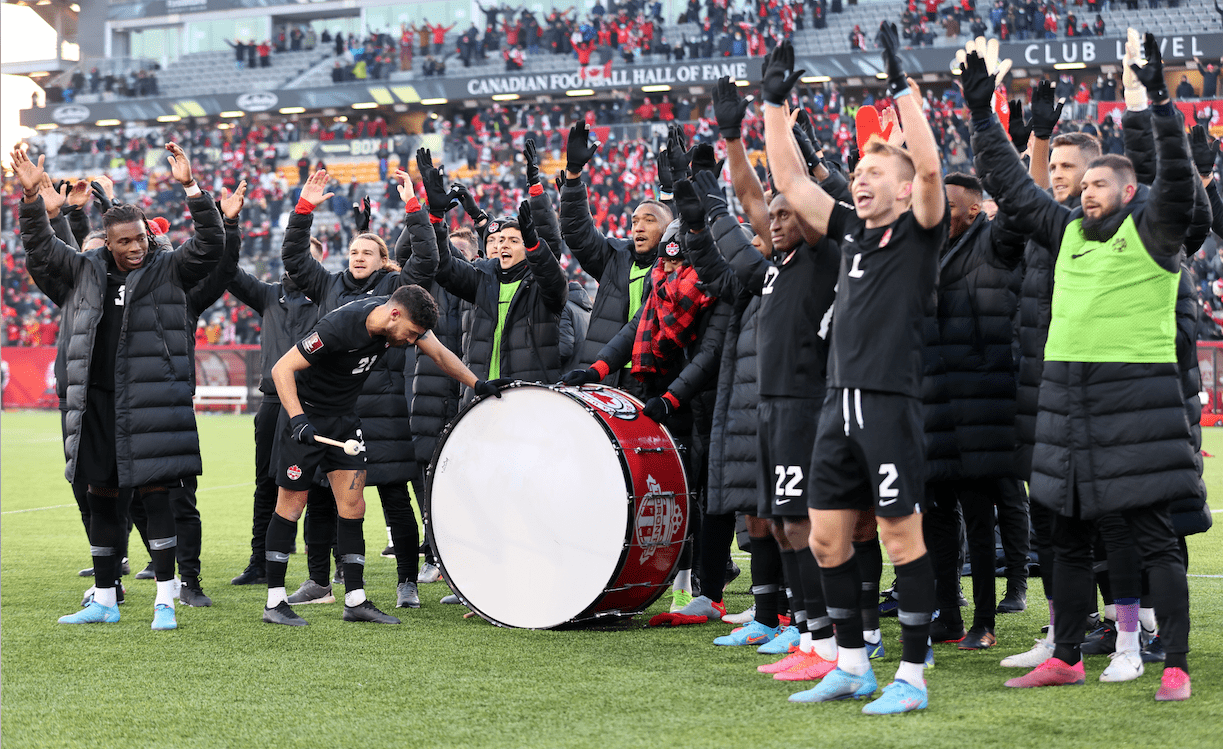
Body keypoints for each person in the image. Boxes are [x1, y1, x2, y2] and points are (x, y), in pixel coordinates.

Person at [968, 32, 1194, 701]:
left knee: (1148, 537)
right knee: (1062, 537)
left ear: (1127, 192)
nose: (1086, 191)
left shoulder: (1153, 235)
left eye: (1098, 182)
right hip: (1064, 407)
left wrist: (1154, 99)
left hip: (1133, 404)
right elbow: (1010, 185)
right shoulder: (1064, 230)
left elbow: (1177, 178)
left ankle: (1173, 660)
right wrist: (981, 117)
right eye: (1083, 183)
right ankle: (1065, 651)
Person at [761, 32, 946, 714]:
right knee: (827, 537)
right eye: (858, 171)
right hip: (834, 405)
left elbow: (929, 172)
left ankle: (913, 677)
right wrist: (773, 106)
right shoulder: (851, 233)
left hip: (889, 404)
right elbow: (790, 182)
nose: (859, 178)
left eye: (873, 171)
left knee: (900, 537)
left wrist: (903, 91)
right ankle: (850, 663)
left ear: (899, 187)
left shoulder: (921, 228)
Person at [13, 143, 224, 631]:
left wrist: (191, 188)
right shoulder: (85, 271)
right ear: (107, 242)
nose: (135, 247)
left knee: (158, 498)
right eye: (125, 241)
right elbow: (41, 249)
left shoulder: (170, 269)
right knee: (103, 496)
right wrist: (29, 198)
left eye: (141, 239)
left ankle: (166, 601)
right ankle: (105, 598)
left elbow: (211, 245)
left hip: (152, 403)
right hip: (98, 405)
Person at [262, 284, 506, 626]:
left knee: (353, 505)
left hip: (344, 421)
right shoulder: (339, 326)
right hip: (305, 420)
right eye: (410, 334)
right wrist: (298, 419)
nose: (411, 341)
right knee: (291, 506)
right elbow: (281, 369)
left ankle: (355, 600)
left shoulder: (401, 322)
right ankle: (274, 604)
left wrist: (477, 384)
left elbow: (439, 354)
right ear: (394, 315)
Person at [280, 169, 437, 610]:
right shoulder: (329, 285)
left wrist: (414, 208)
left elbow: (426, 260)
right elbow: (294, 257)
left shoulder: (393, 289)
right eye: (353, 250)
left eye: (368, 251)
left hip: (382, 405)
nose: (358, 256)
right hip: (332, 408)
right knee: (323, 498)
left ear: (383, 259)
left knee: (393, 494)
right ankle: (320, 581)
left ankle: (407, 580)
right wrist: (303, 210)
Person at [920, 172, 1024, 652]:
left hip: (981, 405)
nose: (940, 210)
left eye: (950, 204)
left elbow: (1020, 213)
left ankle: (985, 620)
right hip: (934, 402)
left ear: (975, 210)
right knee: (937, 515)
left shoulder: (993, 244)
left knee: (981, 517)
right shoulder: (930, 248)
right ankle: (948, 615)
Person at [225, 234, 324, 587]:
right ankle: (260, 562)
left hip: (316, 402)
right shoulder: (268, 294)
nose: (295, 265)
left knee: (322, 484)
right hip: (273, 402)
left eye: (305, 259)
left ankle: (327, 565)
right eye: (291, 259)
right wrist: (229, 224)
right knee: (265, 482)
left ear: (318, 262)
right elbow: (228, 272)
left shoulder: (329, 295)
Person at [560, 120, 674, 400]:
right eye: (635, 221)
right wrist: (573, 176)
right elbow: (577, 231)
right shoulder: (613, 257)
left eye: (649, 220)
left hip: (655, 378)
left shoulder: (674, 269)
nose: (639, 227)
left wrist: (672, 192)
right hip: (606, 376)